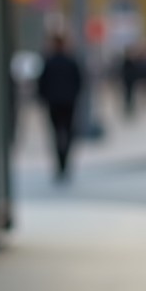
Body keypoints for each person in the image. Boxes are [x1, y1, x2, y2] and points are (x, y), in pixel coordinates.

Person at [36, 31, 84, 181]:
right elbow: (79, 82)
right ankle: (64, 162)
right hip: (68, 102)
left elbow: (41, 84)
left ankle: (60, 163)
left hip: (54, 102)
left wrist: (43, 98)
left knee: (56, 133)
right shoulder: (70, 61)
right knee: (68, 132)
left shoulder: (48, 62)